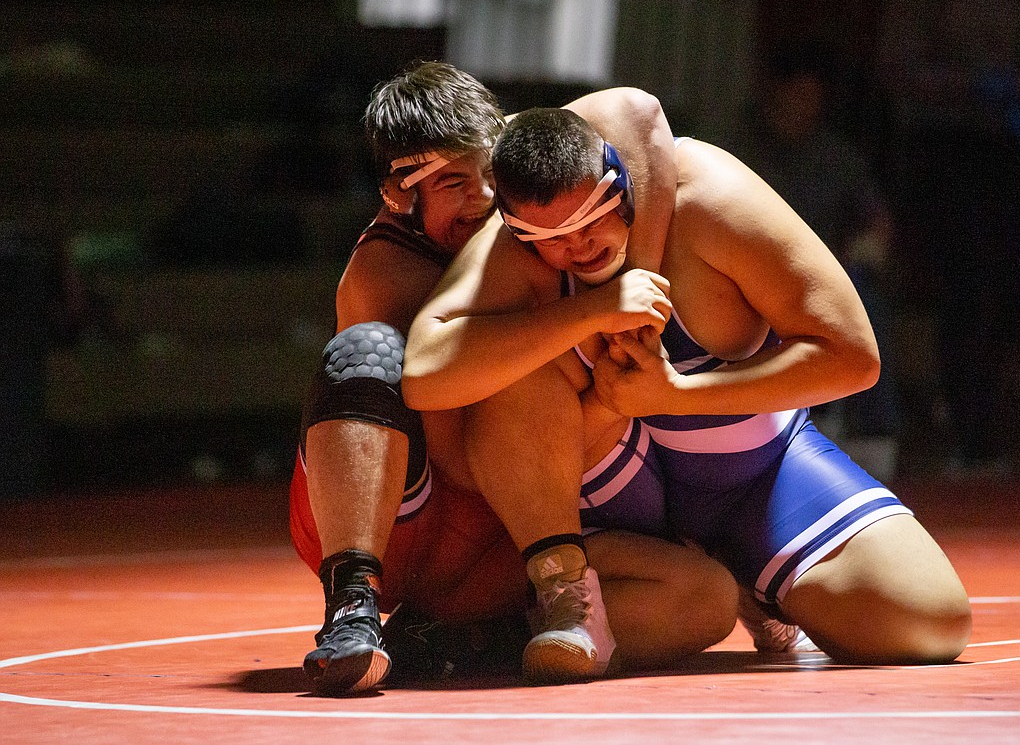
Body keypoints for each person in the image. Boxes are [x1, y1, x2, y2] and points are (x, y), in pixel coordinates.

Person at [404, 106, 973, 665]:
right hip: (608, 503)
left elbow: (854, 357)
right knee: (506, 375)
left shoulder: (707, 197)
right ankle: (553, 602)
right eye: (552, 237)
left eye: (593, 216)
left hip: (755, 471)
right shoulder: (521, 234)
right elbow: (424, 375)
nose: (577, 246)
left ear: (621, 179)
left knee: (929, 621)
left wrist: (675, 393)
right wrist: (590, 317)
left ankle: (756, 572)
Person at [289, 61, 737, 695]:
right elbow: (463, 463)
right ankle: (352, 605)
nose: (478, 201)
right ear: (397, 195)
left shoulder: (535, 219)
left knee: (704, 596)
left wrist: (637, 286)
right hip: (410, 512)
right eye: (449, 183)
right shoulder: (386, 274)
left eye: (484, 176)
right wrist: (595, 317)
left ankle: (470, 639)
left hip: (508, 509)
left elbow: (636, 111)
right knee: (367, 351)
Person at [875, 0, 1020, 474]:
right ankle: (970, 426)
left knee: (1019, 279)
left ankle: (987, 405)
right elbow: (897, 71)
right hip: (943, 150)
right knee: (966, 283)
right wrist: (974, 86)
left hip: (1006, 146)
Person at [727, 43, 902, 481]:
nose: (799, 108)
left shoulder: (837, 157)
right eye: (791, 97)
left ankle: (873, 438)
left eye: (809, 98)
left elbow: (877, 220)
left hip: (821, 280)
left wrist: (862, 252)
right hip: (743, 282)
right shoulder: (733, 149)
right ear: (771, 95)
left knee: (865, 299)